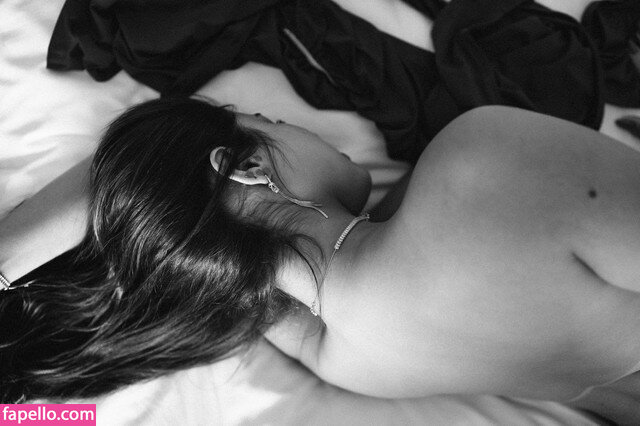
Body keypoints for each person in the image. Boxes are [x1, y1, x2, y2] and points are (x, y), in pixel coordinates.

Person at [1, 97, 640, 412]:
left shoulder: (340, 357)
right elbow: (123, 181)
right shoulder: (482, 169)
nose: (293, 122)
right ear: (245, 167)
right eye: (265, 117)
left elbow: (37, 415)